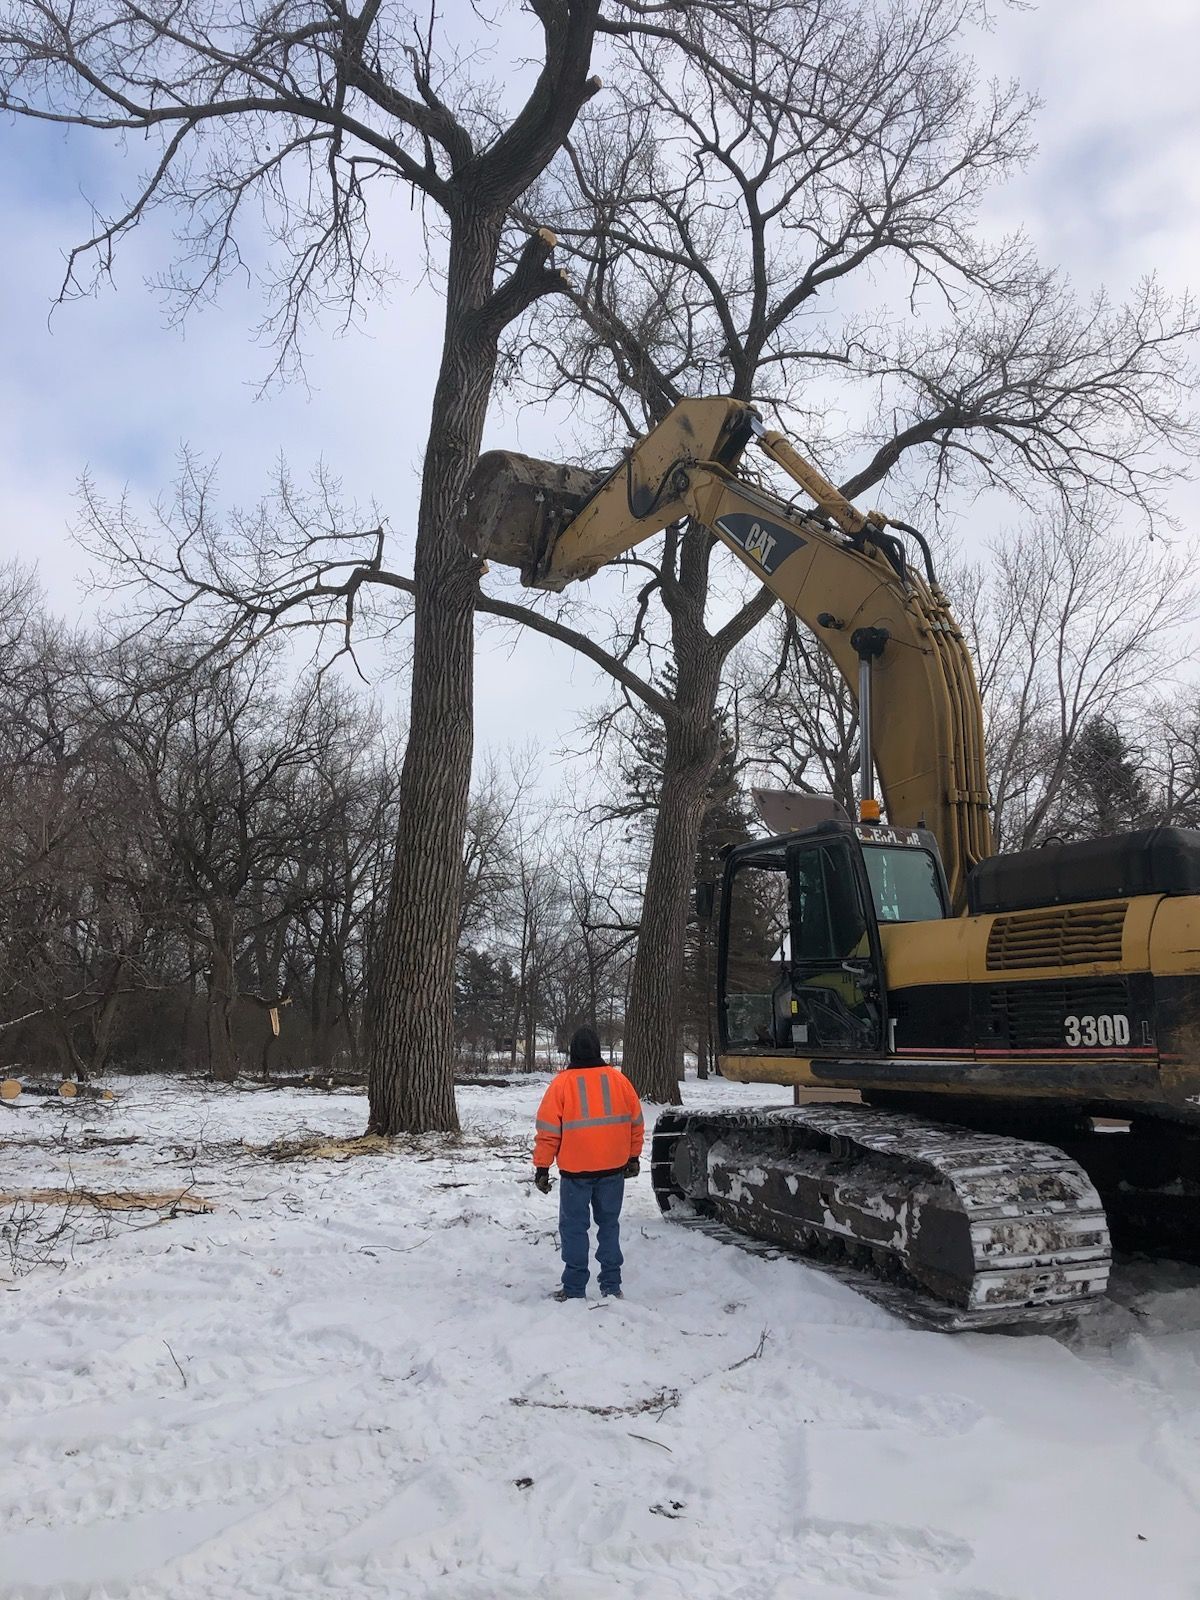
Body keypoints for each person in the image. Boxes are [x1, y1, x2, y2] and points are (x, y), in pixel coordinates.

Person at [532, 1026, 644, 1301]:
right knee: (609, 1225)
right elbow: (636, 1123)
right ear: (598, 1050)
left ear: (572, 1051)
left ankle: (573, 1289)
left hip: (575, 1172)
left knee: (573, 1228)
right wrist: (633, 1156)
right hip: (613, 1169)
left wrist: (542, 1168)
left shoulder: (561, 1084)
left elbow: (548, 1132)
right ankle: (611, 1285)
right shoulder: (619, 1081)